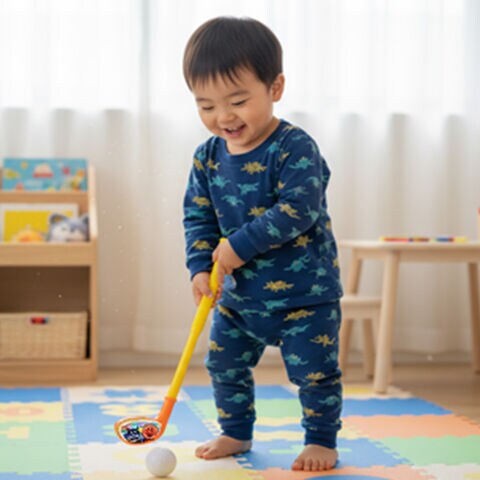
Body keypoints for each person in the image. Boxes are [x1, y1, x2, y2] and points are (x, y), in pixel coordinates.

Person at [182, 16, 343, 472]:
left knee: (314, 373)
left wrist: (238, 247)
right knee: (223, 365)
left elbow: (299, 209)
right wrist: (200, 267)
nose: (223, 117)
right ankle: (235, 431)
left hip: (306, 295)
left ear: (275, 88)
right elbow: (198, 217)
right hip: (239, 298)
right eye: (206, 105)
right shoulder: (206, 157)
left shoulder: (294, 147)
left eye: (237, 101)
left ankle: (321, 440)